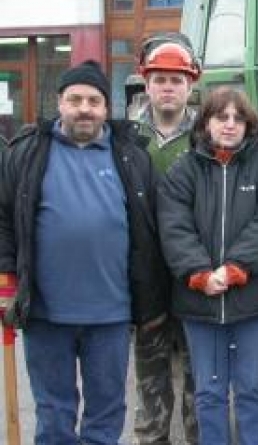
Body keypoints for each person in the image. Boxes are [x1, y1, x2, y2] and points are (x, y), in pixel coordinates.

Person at [0, 59, 168, 444]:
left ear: (107, 108)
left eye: (93, 100)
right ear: (59, 103)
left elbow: (150, 233)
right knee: (54, 416)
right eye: (74, 99)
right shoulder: (26, 152)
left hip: (110, 313)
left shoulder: (132, 157)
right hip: (45, 312)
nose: (84, 108)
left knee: (106, 415)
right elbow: (4, 219)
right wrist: (7, 278)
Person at [156, 87, 258, 445]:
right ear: (206, 123)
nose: (230, 125)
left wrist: (235, 268)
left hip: (254, 301)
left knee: (251, 390)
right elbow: (174, 227)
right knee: (209, 393)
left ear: (250, 125)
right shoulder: (182, 172)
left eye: (238, 118)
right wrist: (199, 274)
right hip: (199, 301)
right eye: (221, 117)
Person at [133, 32, 202, 445]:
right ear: (146, 83)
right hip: (147, 273)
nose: (168, 88)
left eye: (176, 80)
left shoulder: (208, 136)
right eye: (160, 79)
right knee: (150, 377)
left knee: (200, 377)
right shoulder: (128, 138)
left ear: (190, 85)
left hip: (194, 272)